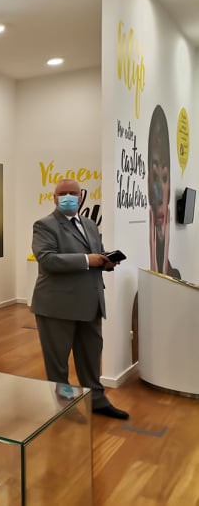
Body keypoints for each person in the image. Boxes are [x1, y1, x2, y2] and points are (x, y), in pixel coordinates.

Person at [31, 179, 129, 419]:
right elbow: (47, 259)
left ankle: (97, 399)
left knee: (91, 357)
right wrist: (88, 260)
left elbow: (97, 254)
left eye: (72, 193)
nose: (67, 197)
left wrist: (105, 263)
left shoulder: (90, 224)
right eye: (62, 193)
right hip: (57, 306)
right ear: (54, 198)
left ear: (81, 197)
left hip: (90, 303)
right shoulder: (44, 225)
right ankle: (64, 405)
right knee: (59, 363)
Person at [147, 105, 181, 279]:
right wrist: (154, 266)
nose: (158, 195)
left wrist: (162, 268)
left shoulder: (176, 275)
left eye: (165, 178)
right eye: (153, 176)